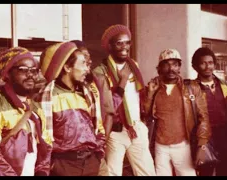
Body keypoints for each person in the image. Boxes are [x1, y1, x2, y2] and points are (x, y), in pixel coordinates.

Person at [0, 47, 52, 176]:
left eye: (34, 70)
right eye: (23, 70)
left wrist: (42, 172)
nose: (30, 75)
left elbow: (46, 145)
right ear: (7, 73)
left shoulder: (35, 107)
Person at [33, 42, 106, 176]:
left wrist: (97, 156)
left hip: (91, 163)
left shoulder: (88, 94)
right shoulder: (45, 98)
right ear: (67, 67)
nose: (87, 69)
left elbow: (98, 128)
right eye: (83, 63)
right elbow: (41, 141)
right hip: (64, 167)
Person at [93, 24, 156, 176]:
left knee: (147, 172)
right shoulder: (100, 72)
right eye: (119, 43)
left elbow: (137, 96)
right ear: (110, 46)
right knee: (112, 173)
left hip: (136, 128)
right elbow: (106, 105)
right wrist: (122, 80)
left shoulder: (133, 65)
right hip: (116, 131)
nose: (124, 46)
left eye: (127, 42)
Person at [145, 48, 211, 176]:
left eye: (175, 65)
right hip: (160, 147)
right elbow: (146, 114)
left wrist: (202, 145)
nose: (171, 69)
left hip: (183, 146)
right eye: (166, 65)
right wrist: (150, 94)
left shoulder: (191, 88)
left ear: (179, 67)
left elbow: (204, 117)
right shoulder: (154, 89)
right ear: (159, 68)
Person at [70, 40, 110, 176]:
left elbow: (104, 112)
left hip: (95, 150)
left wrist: (102, 143)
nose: (88, 61)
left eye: (88, 57)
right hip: (74, 158)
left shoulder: (94, 81)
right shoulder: (64, 91)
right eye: (83, 58)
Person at [191, 47, 227, 176]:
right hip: (204, 138)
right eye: (203, 63)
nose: (208, 66)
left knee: (225, 170)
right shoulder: (191, 88)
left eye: (210, 62)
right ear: (195, 66)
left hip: (224, 135)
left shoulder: (223, 85)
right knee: (205, 172)